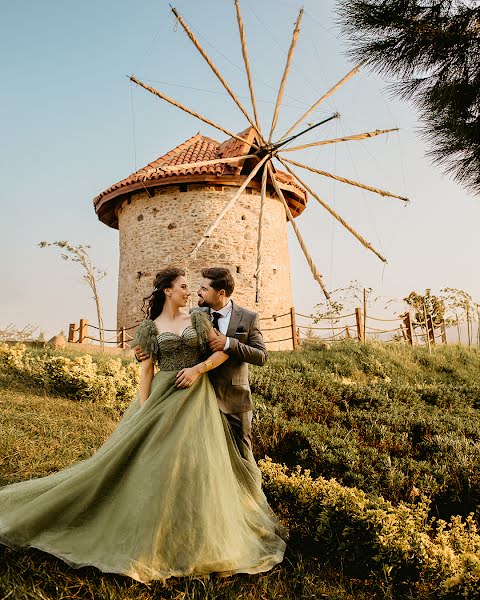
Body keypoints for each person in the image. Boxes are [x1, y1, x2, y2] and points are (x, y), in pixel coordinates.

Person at [0, 267, 286, 583]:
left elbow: (222, 351)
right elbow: (146, 371)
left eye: (198, 287)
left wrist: (199, 369)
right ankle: (149, 533)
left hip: (205, 397)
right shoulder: (153, 327)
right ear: (167, 291)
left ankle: (238, 516)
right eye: (184, 286)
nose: (192, 291)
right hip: (165, 394)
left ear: (220, 292)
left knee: (209, 465)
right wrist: (145, 408)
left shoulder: (202, 318)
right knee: (156, 462)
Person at [135, 266, 267, 461]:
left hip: (233, 399)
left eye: (204, 289)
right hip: (196, 396)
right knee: (200, 458)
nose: (197, 292)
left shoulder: (248, 318)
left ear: (220, 293)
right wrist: (142, 353)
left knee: (242, 457)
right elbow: (173, 339)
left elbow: (261, 356)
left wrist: (229, 343)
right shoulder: (197, 313)